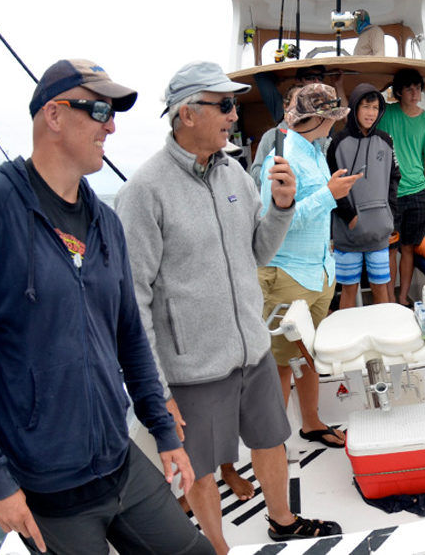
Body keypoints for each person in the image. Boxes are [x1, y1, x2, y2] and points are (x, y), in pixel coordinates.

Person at [0, 59, 213, 554]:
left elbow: (130, 336)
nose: (111, 127)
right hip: (47, 490)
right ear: (53, 115)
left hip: (119, 462)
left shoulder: (106, 223)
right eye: (99, 111)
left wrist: (164, 432)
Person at [115, 61, 341, 553]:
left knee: (271, 440)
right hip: (192, 368)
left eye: (233, 104)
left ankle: (282, 521)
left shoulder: (235, 171)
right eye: (223, 105)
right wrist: (155, 389)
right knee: (199, 468)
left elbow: (259, 250)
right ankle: (217, 547)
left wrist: (282, 207)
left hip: (252, 351)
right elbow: (132, 301)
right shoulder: (143, 192)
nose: (234, 115)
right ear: (186, 114)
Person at [259, 83, 360, 447]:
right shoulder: (280, 159)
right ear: (317, 118)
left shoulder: (317, 152)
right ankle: (273, 443)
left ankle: (311, 423)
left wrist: (330, 193)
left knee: (308, 355)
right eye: (332, 117)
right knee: (282, 362)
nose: (336, 123)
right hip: (289, 275)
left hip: (319, 273)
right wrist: (329, 195)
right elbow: (275, 223)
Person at [327, 83, 401, 307]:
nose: (371, 113)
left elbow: (394, 178)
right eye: (366, 107)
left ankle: (382, 328)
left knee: (380, 287)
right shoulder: (337, 143)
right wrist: (350, 216)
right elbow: (331, 185)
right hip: (348, 233)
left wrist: (389, 214)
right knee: (349, 289)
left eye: (375, 107)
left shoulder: (386, 140)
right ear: (355, 108)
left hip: (379, 232)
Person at [377, 68, 425, 306]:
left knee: (408, 249)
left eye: (418, 89)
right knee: (390, 250)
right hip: (390, 194)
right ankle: (390, 299)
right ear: (398, 92)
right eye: (409, 89)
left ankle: (403, 297)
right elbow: (363, 106)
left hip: (419, 194)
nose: (415, 94)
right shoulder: (387, 113)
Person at [250, 64, 330, 188]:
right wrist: (277, 174)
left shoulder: (319, 138)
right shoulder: (272, 136)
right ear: (286, 106)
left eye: (320, 77)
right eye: (310, 77)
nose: (316, 81)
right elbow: (255, 175)